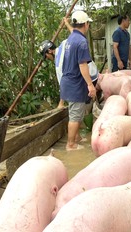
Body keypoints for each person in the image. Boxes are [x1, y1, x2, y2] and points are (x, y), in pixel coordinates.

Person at [60, 10, 96, 151]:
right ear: (86, 24)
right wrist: (90, 85)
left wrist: (67, 24)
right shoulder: (81, 42)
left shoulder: (72, 39)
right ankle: (71, 145)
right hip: (75, 83)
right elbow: (83, 65)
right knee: (75, 115)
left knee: (76, 111)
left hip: (67, 82)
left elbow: (73, 32)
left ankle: (76, 138)